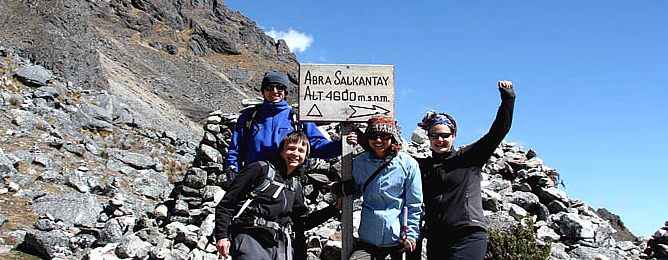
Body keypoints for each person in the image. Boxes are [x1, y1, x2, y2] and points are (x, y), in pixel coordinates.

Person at [415, 80, 515, 260]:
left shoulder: (469, 157)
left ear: (453, 135)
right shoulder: (423, 166)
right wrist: (360, 140)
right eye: (434, 135)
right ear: (428, 137)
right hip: (437, 239)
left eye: (445, 135)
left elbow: (499, 130)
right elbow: (388, 152)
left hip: (468, 234)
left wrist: (508, 98)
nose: (440, 140)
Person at [215, 131, 340, 260]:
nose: (295, 154)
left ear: (306, 156)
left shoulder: (295, 185)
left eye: (301, 151)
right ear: (281, 151)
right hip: (250, 237)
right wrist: (222, 236)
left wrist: (334, 208)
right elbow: (226, 204)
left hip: (280, 245)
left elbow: (301, 222)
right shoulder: (259, 169)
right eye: (291, 149)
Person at [225, 71, 340, 180]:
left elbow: (316, 145)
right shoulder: (249, 116)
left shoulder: (297, 117)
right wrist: (233, 171)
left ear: (285, 92)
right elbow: (236, 148)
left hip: (286, 181)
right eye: (269, 87)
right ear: (263, 91)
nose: (274, 91)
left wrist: (343, 145)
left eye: (280, 87)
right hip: (253, 180)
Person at [344, 116, 423, 260]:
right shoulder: (360, 162)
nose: (378, 140)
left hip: (397, 242)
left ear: (392, 137)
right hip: (368, 241)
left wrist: (411, 236)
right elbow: (354, 191)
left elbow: (414, 205)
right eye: (373, 136)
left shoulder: (408, 164)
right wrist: (338, 189)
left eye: (384, 136)